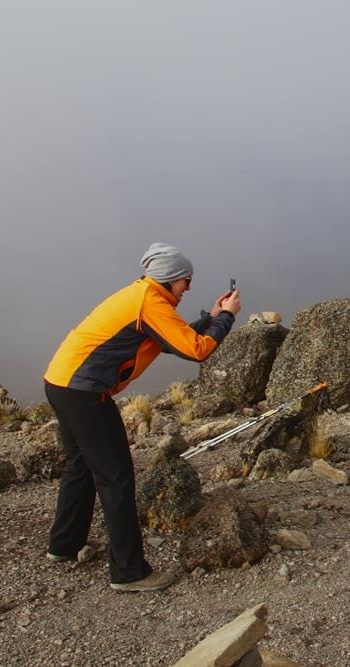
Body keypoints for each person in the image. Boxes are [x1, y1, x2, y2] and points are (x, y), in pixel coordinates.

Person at [42, 243, 240, 592]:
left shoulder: (143, 295)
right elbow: (197, 349)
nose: (188, 288)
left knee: (80, 466)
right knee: (115, 477)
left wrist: (210, 317)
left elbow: (168, 339)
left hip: (60, 382)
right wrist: (227, 317)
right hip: (85, 392)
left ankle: (64, 545)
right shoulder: (150, 302)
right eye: (186, 281)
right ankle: (128, 572)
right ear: (170, 278)